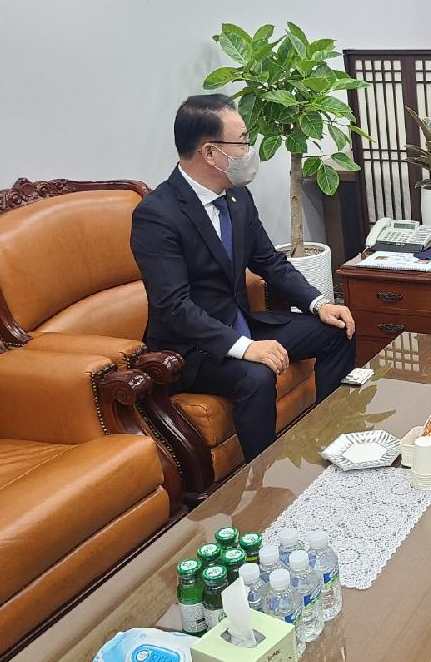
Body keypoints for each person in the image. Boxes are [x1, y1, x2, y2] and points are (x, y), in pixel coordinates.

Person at [131, 94, 356, 462]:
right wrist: (245, 347)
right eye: (243, 141)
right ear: (210, 153)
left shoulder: (237, 197)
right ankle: (260, 482)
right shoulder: (157, 215)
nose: (250, 151)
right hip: (195, 348)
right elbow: (173, 307)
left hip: (243, 323)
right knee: (256, 377)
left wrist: (320, 303)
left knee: (337, 330)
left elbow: (269, 261)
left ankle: (326, 437)